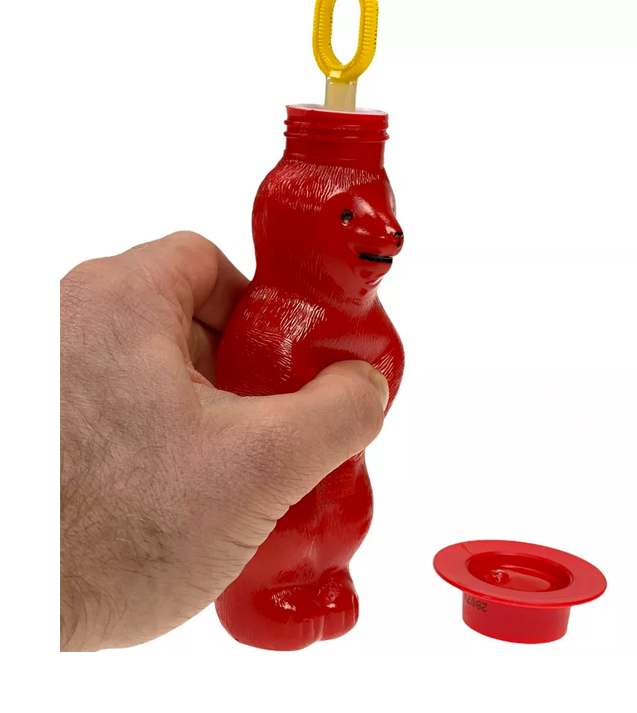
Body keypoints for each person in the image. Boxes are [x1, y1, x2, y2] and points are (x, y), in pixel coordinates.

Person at [60, 231, 390, 651]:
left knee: (339, 525)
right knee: (283, 541)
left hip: (340, 505)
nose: (389, 234)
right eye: (345, 219)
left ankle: (330, 576)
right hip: (268, 522)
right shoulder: (275, 320)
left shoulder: (367, 317)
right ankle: (259, 599)